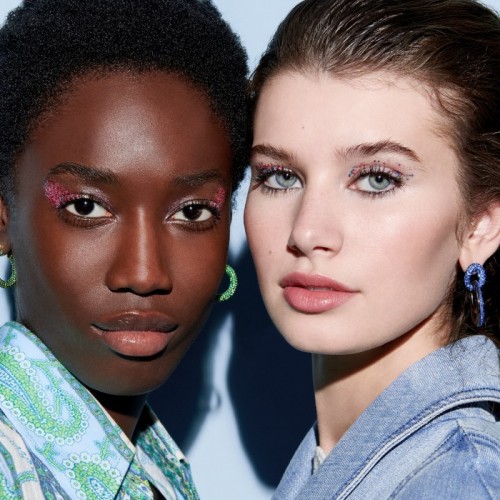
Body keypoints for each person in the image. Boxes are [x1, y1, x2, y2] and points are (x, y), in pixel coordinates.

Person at [244, 0, 500, 497]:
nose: (307, 232)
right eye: (280, 176)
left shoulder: (462, 482)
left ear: (480, 226)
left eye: (377, 179)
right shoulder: (339, 461)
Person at [0, 0, 248, 498]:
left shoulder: (160, 471)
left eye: (193, 212)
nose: (144, 272)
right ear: (4, 220)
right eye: (87, 207)